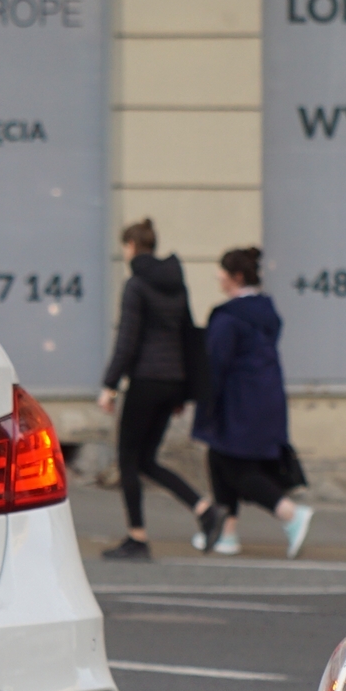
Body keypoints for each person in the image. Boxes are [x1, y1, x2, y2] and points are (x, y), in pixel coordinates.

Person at [96, 219, 211, 560]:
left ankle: (137, 537)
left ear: (131, 246)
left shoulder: (136, 285)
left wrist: (109, 385)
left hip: (146, 380)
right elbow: (188, 335)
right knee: (146, 459)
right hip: (172, 381)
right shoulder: (176, 282)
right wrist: (184, 392)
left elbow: (127, 339)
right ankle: (203, 507)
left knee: (128, 459)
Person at [193, 247, 314, 558]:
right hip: (264, 399)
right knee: (220, 457)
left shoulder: (229, 318)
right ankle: (228, 534)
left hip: (238, 402)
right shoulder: (265, 311)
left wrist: (204, 401)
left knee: (236, 468)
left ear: (236, 277)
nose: (218, 276)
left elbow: (215, 363)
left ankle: (289, 512)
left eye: (222, 271)